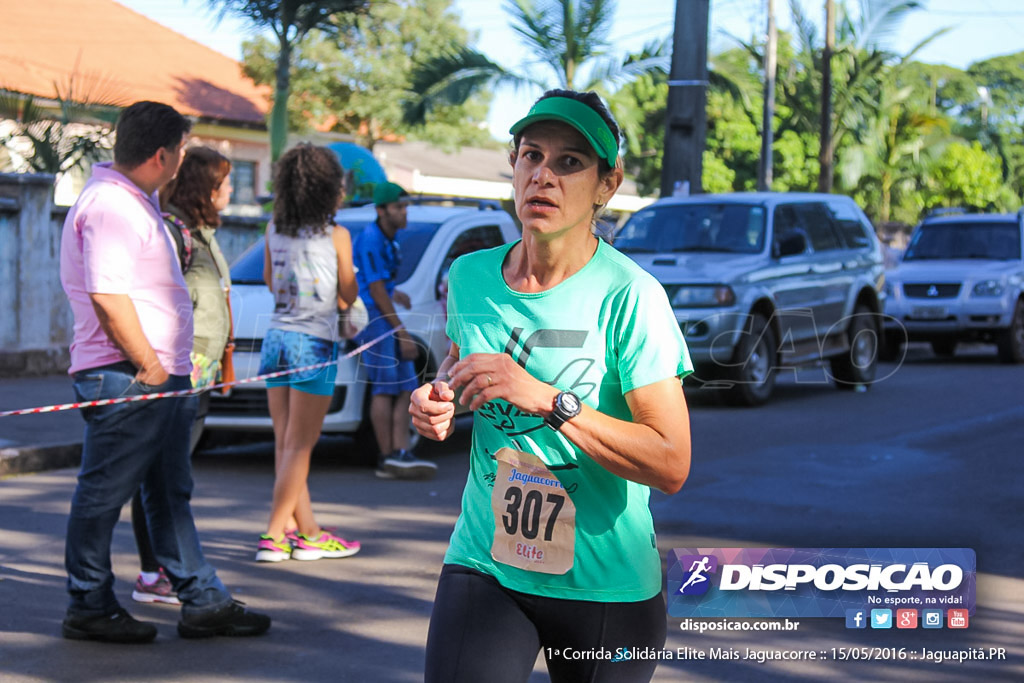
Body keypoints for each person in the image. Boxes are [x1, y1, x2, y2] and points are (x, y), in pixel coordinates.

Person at [411, 90, 693, 682]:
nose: (544, 175)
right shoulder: (470, 275)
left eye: (569, 162)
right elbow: (462, 365)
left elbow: (670, 462)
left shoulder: (631, 296)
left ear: (606, 186)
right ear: (513, 166)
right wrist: (438, 396)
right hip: (486, 562)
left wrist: (546, 397)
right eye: (531, 155)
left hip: (606, 584)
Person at [59, 101, 270, 643]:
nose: (182, 160)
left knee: (168, 492)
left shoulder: (134, 201)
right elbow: (108, 295)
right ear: (161, 154)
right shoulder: (112, 205)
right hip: (128, 374)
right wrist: (151, 366)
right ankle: (88, 602)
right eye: (178, 150)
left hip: (155, 375)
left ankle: (201, 598)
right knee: (103, 494)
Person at [129, 146, 235, 605]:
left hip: (203, 369)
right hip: (178, 368)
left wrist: (225, 363)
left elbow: (219, 303)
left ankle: (167, 569)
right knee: (159, 474)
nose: (231, 190)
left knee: (172, 473)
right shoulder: (174, 232)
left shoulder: (203, 234)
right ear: (205, 188)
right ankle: (155, 573)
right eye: (225, 182)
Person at [255, 143, 362, 562]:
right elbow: (348, 292)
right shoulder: (337, 235)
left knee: (286, 443)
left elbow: (268, 280)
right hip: (313, 342)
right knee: (300, 446)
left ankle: (309, 531)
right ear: (326, 189)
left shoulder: (272, 229)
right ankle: (273, 534)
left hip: (276, 339)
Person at [353, 181, 437, 480]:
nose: (405, 212)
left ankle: (401, 452)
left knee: (406, 386)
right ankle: (386, 457)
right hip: (374, 321)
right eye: (398, 207)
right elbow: (374, 290)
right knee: (385, 389)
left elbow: (383, 285)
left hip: (384, 314)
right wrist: (401, 333)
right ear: (381, 210)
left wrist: (395, 292)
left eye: (405, 206)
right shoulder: (372, 239)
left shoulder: (390, 239)